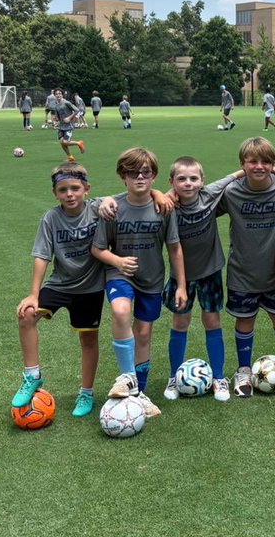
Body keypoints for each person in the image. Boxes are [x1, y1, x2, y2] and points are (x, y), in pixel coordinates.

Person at [91, 148, 185, 418]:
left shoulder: (164, 208)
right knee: (120, 311)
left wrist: (179, 284)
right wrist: (118, 262)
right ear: (123, 176)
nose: (140, 177)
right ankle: (128, 379)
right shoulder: (112, 208)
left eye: (145, 172)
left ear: (154, 175)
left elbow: (175, 248)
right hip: (119, 275)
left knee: (143, 333)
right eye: (133, 173)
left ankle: (138, 391)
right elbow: (98, 249)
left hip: (152, 279)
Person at [215, 136, 275, 397]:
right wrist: (233, 175)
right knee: (245, 320)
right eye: (252, 161)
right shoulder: (231, 192)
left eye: (266, 162)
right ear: (241, 164)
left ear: (274, 164)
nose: (259, 166)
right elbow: (204, 197)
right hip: (242, 272)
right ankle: (243, 371)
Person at [12, 162, 106, 418]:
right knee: (26, 314)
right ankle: (32, 376)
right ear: (55, 193)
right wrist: (33, 294)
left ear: (86, 189)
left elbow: (129, 196)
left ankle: (85, 392)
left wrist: (153, 193)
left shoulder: (98, 209)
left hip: (90, 288)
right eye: (63, 189)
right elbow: (42, 256)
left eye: (75, 188)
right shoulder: (50, 218)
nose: (70, 194)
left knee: (88, 338)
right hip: (60, 285)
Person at [163, 155, 239, 403]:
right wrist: (163, 194)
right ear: (172, 181)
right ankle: (174, 376)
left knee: (212, 321)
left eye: (194, 178)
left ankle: (218, 377)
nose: (188, 184)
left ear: (202, 181)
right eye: (181, 179)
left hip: (210, 272)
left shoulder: (209, 194)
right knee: (180, 322)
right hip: (180, 276)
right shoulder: (168, 206)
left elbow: (235, 176)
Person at [50, 88, 84, 161]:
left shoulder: (66, 102)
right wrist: (55, 121)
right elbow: (57, 117)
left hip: (69, 126)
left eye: (59, 93)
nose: (58, 95)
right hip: (61, 127)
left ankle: (79, 143)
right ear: (54, 95)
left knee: (65, 142)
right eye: (56, 94)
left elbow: (77, 110)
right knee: (62, 143)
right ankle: (70, 157)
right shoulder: (56, 106)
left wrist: (69, 118)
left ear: (62, 95)